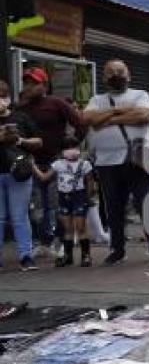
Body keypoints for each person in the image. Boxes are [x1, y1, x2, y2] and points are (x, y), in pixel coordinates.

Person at [83, 59, 149, 265]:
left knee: (145, 205)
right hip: (106, 162)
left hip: (136, 159)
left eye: (120, 71)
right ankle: (117, 249)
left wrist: (108, 118)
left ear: (129, 75)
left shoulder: (140, 95)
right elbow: (88, 119)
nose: (116, 75)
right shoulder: (96, 98)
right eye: (111, 72)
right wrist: (121, 111)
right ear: (103, 78)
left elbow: (144, 115)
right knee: (113, 209)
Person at [17, 67, 84, 257]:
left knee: (56, 205)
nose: (29, 87)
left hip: (57, 161)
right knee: (36, 208)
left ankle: (63, 241)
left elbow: (80, 124)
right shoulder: (22, 108)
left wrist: (71, 146)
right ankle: (44, 242)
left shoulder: (57, 103)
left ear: (44, 85)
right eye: (27, 83)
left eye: (34, 83)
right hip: (32, 162)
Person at [32, 136, 94, 267]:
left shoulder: (85, 164)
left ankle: (86, 255)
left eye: (74, 147)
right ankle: (68, 255)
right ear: (62, 151)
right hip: (63, 197)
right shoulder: (58, 164)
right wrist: (33, 166)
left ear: (79, 148)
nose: (71, 150)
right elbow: (44, 178)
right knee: (68, 228)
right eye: (67, 148)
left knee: (80, 226)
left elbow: (89, 181)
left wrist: (88, 198)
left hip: (79, 196)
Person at [0, 87, 42, 271]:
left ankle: (26, 256)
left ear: (8, 98)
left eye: (2, 96)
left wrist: (20, 141)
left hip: (18, 172)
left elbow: (39, 142)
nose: (1, 101)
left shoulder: (21, 117)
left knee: (20, 216)